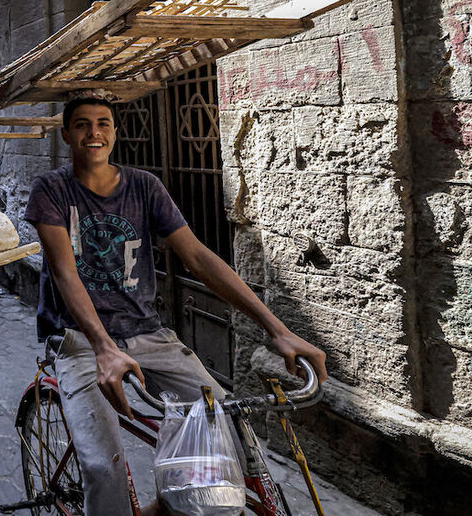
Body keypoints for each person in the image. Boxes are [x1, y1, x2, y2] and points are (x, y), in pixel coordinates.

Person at [24, 92, 328, 516]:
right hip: (80, 341)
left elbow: (199, 256)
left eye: (103, 123)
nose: (94, 132)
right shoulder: (52, 189)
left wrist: (276, 329)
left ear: (114, 132)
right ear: (67, 134)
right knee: (102, 467)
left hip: (149, 334)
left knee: (225, 432)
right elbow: (64, 270)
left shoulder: (144, 186)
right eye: (82, 124)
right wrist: (104, 348)